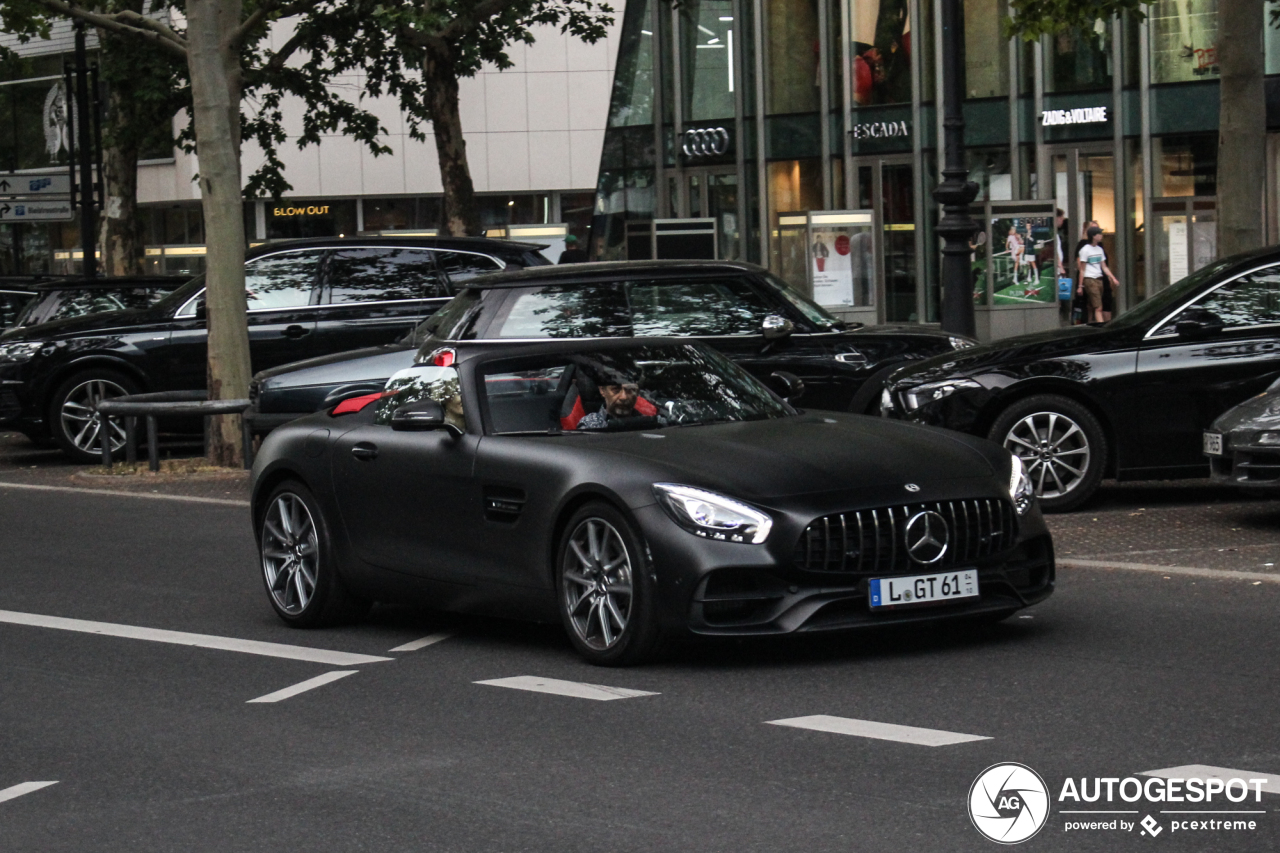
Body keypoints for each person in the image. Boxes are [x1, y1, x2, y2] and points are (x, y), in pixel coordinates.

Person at [1077, 226, 1119, 324]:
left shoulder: (1099, 249)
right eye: (1099, 234)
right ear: (1093, 236)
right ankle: (1101, 325)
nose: (1101, 236)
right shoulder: (1085, 250)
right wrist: (1080, 286)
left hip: (1099, 279)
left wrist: (1112, 277)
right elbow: (1082, 269)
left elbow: (1104, 266)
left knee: (1094, 304)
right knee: (1098, 306)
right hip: (1090, 279)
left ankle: (1091, 323)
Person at [576, 379, 643, 429]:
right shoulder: (590, 425)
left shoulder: (646, 423)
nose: (624, 397)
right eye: (616, 390)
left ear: (637, 392)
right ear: (602, 390)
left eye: (630, 390)